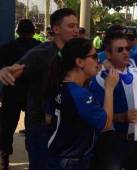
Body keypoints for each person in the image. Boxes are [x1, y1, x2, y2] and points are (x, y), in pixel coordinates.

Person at [0, 8, 79, 169]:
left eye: (77, 26)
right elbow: (17, 68)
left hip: (63, 127)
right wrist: (5, 71)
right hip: (41, 127)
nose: (76, 30)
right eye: (71, 26)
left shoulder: (74, 53)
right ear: (56, 29)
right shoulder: (42, 52)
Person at [88, 0, 137, 169]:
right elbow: (99, 116)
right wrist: (122, 117)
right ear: (107, 53)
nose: (126, 52)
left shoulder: (135, 65)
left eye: (127, 48)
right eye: (119, 50)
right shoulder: (99, 79)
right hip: (112, 143)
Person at [44, 38, 118, 170]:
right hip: (72, 161)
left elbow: (48, 118)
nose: (98, 61)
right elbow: (105, 123)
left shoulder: (59, 84)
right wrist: (109, 88)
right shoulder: (79, 94)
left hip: (56, 157)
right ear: (79, 62)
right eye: (94, 57)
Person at [0, 19, 40, 170]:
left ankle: (5, 160)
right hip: (33, 93)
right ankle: (33, 160)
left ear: (17, 32)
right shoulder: (39, 47)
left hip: (12, 90)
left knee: (7, 127)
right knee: (33, 129)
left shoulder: (7, 47)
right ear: (34, 31)